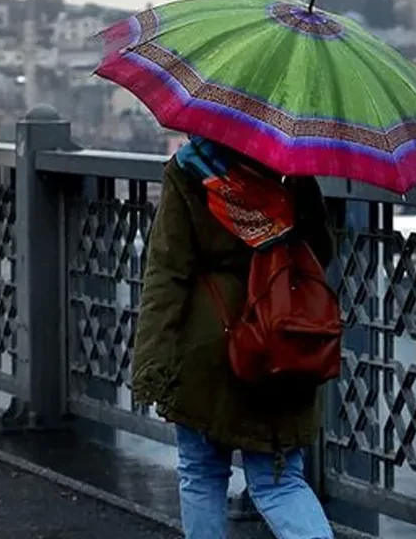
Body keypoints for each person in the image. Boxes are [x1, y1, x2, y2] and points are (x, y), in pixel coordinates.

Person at [131, 136, 336, 539]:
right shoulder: (291, 170)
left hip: (207, 345)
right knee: (280, 483)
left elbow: (168, 274)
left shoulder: (189, 171)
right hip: (279, 341)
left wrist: (151, 361)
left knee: (202, 474)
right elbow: (320, 254)